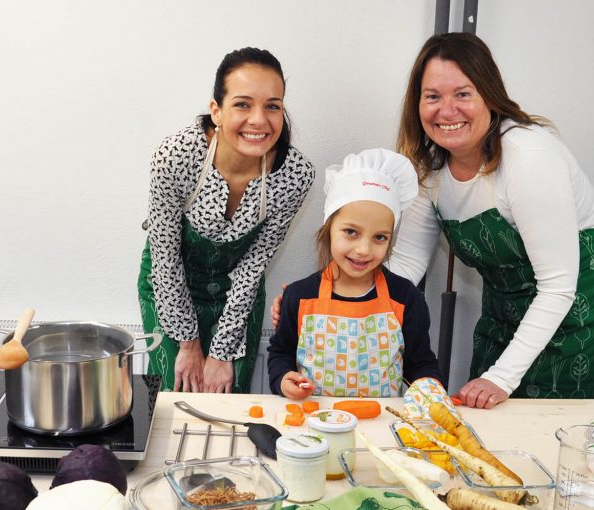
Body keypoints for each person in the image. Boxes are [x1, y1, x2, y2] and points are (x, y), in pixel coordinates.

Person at [388, 32, 594, 408]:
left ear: (489, 94)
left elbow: (557, 285)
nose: (447, 110)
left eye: (463, 94)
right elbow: (406, 266)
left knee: (559, 430)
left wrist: (500, 378)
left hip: (586, 297)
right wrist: (326, 297)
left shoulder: (527, 155)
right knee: (489, 423)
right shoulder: (430, 169)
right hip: (507, 306)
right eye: (433, 96)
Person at [138, 47, 315, 393]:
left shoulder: (295, 174)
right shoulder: (176, 155)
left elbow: (253, 266)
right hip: (170, 286)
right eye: (243, 104)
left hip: (237, 295)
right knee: (173, 400)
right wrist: (188, 345)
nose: (259, 120)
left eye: (272, 106)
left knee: (228, 405)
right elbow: (165, 258)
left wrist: (221, 353)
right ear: (216, 111)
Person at [267, 148, 443, 400]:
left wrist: (429, 389)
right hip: (315, 422)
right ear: (328, 229)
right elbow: (280, 354)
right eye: (351, 232)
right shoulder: (300, 296)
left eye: (379, 237)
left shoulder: (406, 298)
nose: (363, 250)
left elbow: (420, 363)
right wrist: (283, 379)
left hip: (383, 425)